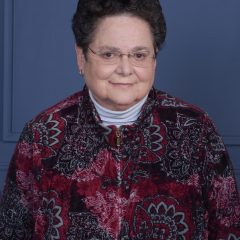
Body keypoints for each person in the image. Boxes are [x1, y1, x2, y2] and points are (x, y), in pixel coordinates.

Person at [0, 0, 239, 239]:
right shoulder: (41, 135)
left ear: (154, 60)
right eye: (109, 54)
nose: (125, 69)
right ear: (81, 57)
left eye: (139, 54)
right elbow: (11, 232)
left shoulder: (196, 130)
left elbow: (229, 229)